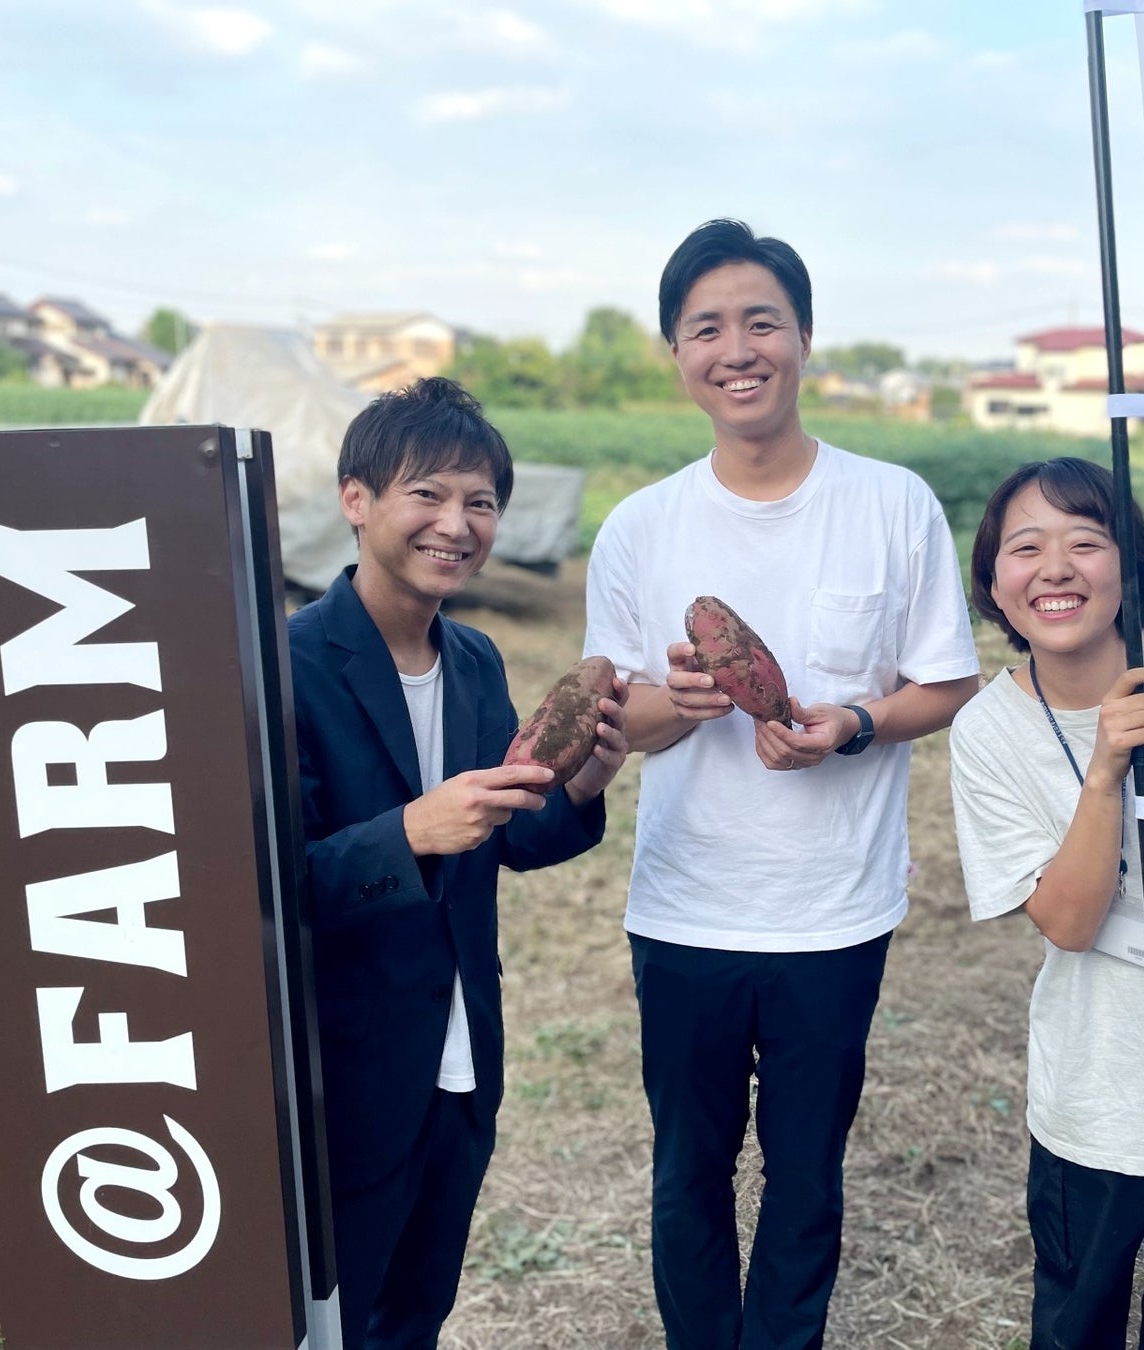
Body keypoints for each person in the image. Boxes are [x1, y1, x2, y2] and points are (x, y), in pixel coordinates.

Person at [582, 218, 981, 1349]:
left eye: (762, 320)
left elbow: (943, 683)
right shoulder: (641, 528)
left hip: (835, 912)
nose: (736, 347)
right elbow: (618, 726)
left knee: (808, 1171)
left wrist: (853, 722)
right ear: (676, 354)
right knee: (688, 1169)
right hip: (685, 908)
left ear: (805, 336)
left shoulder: (890, 503)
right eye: (705, 327)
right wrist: (680, 702)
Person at [289, 376, 626, 1350]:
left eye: (480, 502)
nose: (457, 523)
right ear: (357, 500)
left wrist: (578, 786)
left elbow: (508, 841)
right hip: (346, 1076)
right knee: (334, 1322)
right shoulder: (288, 663)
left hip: (461, 1061)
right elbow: (272, 890)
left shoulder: (473, 660)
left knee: (416, 1316)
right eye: (427, 494)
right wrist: (408, 833)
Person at [948, 457, 1144, 1350]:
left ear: (1131, 565)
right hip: (1101, 1089)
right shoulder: (988, 730)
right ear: (995, 588)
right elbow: (1069, 921)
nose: (1056, 569)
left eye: (1086, 542)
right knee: (1076, 1322)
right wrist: (1105, 766)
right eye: (1026, 548)